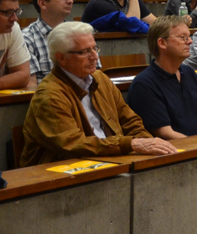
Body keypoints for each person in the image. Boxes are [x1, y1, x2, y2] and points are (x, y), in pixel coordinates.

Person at [20, 22, 176, 167]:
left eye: (95, 48)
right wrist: (130, 144)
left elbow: (129, 120)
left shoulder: (100, 79)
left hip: (109, 158)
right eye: (85, 52)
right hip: (64, 171)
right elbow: (74, 144)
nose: (95, 56)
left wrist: (148, 143)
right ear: (61, 57)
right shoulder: (49, 95)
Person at [127, 16, 197, 139]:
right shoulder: (144, 84)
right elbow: (164, 133)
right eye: (183, 37)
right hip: (176, 152)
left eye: (189, 36)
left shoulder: (189, 73)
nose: (190, 41)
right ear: (162, 43)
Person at [25, 0, 75, 84]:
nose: (70, 1)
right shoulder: (26, 38)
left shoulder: (80, 34)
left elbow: (94, 74)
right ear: (42, 3)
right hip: (49, 98)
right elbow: (31, 85)